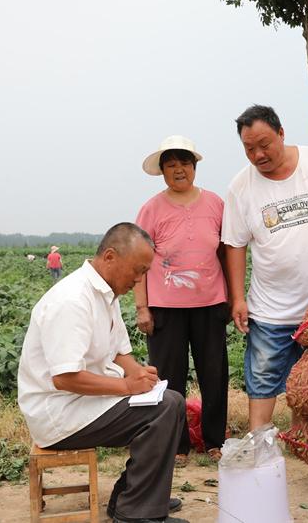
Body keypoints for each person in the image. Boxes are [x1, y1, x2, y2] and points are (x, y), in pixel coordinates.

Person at [17, 223, 187, 523]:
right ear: (109, 256)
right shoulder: (72, 300)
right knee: (164, 409)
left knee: (169, 400)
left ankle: (134, 496)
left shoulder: (104, 293)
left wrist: (142, 377)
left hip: (81, 402)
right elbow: (65, 378)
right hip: (59, 414)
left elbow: (120, 352)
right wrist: (126, 386)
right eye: (137, 270)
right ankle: (134, 511)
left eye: (145, 272)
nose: (139, 280)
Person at [221, 104, 308, 431]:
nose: (258, 155)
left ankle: (307, 439)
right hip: (272, 309)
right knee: (263, 375)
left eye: (264, 144)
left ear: (281, 133)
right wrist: (238, 298)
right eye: (249, 148)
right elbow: (235, 245)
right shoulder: (240, 188)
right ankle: (260, 440)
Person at [134, 135, 229, 467]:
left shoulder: (216, 203)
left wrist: (232, 296)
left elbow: (226, 253)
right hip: (165, 307)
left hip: (210, 302)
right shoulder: (151, 209)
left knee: (214, 374)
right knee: (168, 379)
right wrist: (142, 307)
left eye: (184, 163)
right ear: (162, 171)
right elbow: (139, 262)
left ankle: (216, 440)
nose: (179, 170)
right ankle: (177, 445)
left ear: (195, 166)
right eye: (171, 164)